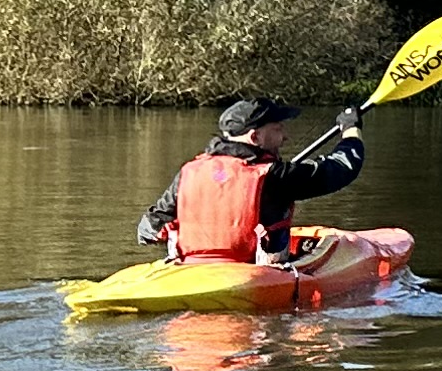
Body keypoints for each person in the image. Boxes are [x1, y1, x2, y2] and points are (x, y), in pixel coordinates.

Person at [138, 94, 365, 265]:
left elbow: (148, 229)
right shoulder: (273, 176)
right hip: (254, 275)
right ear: (255, 137)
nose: (285, 137)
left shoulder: (189, 171)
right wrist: (350, 130)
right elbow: (342, 167)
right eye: (277, 129)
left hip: (189, 271)